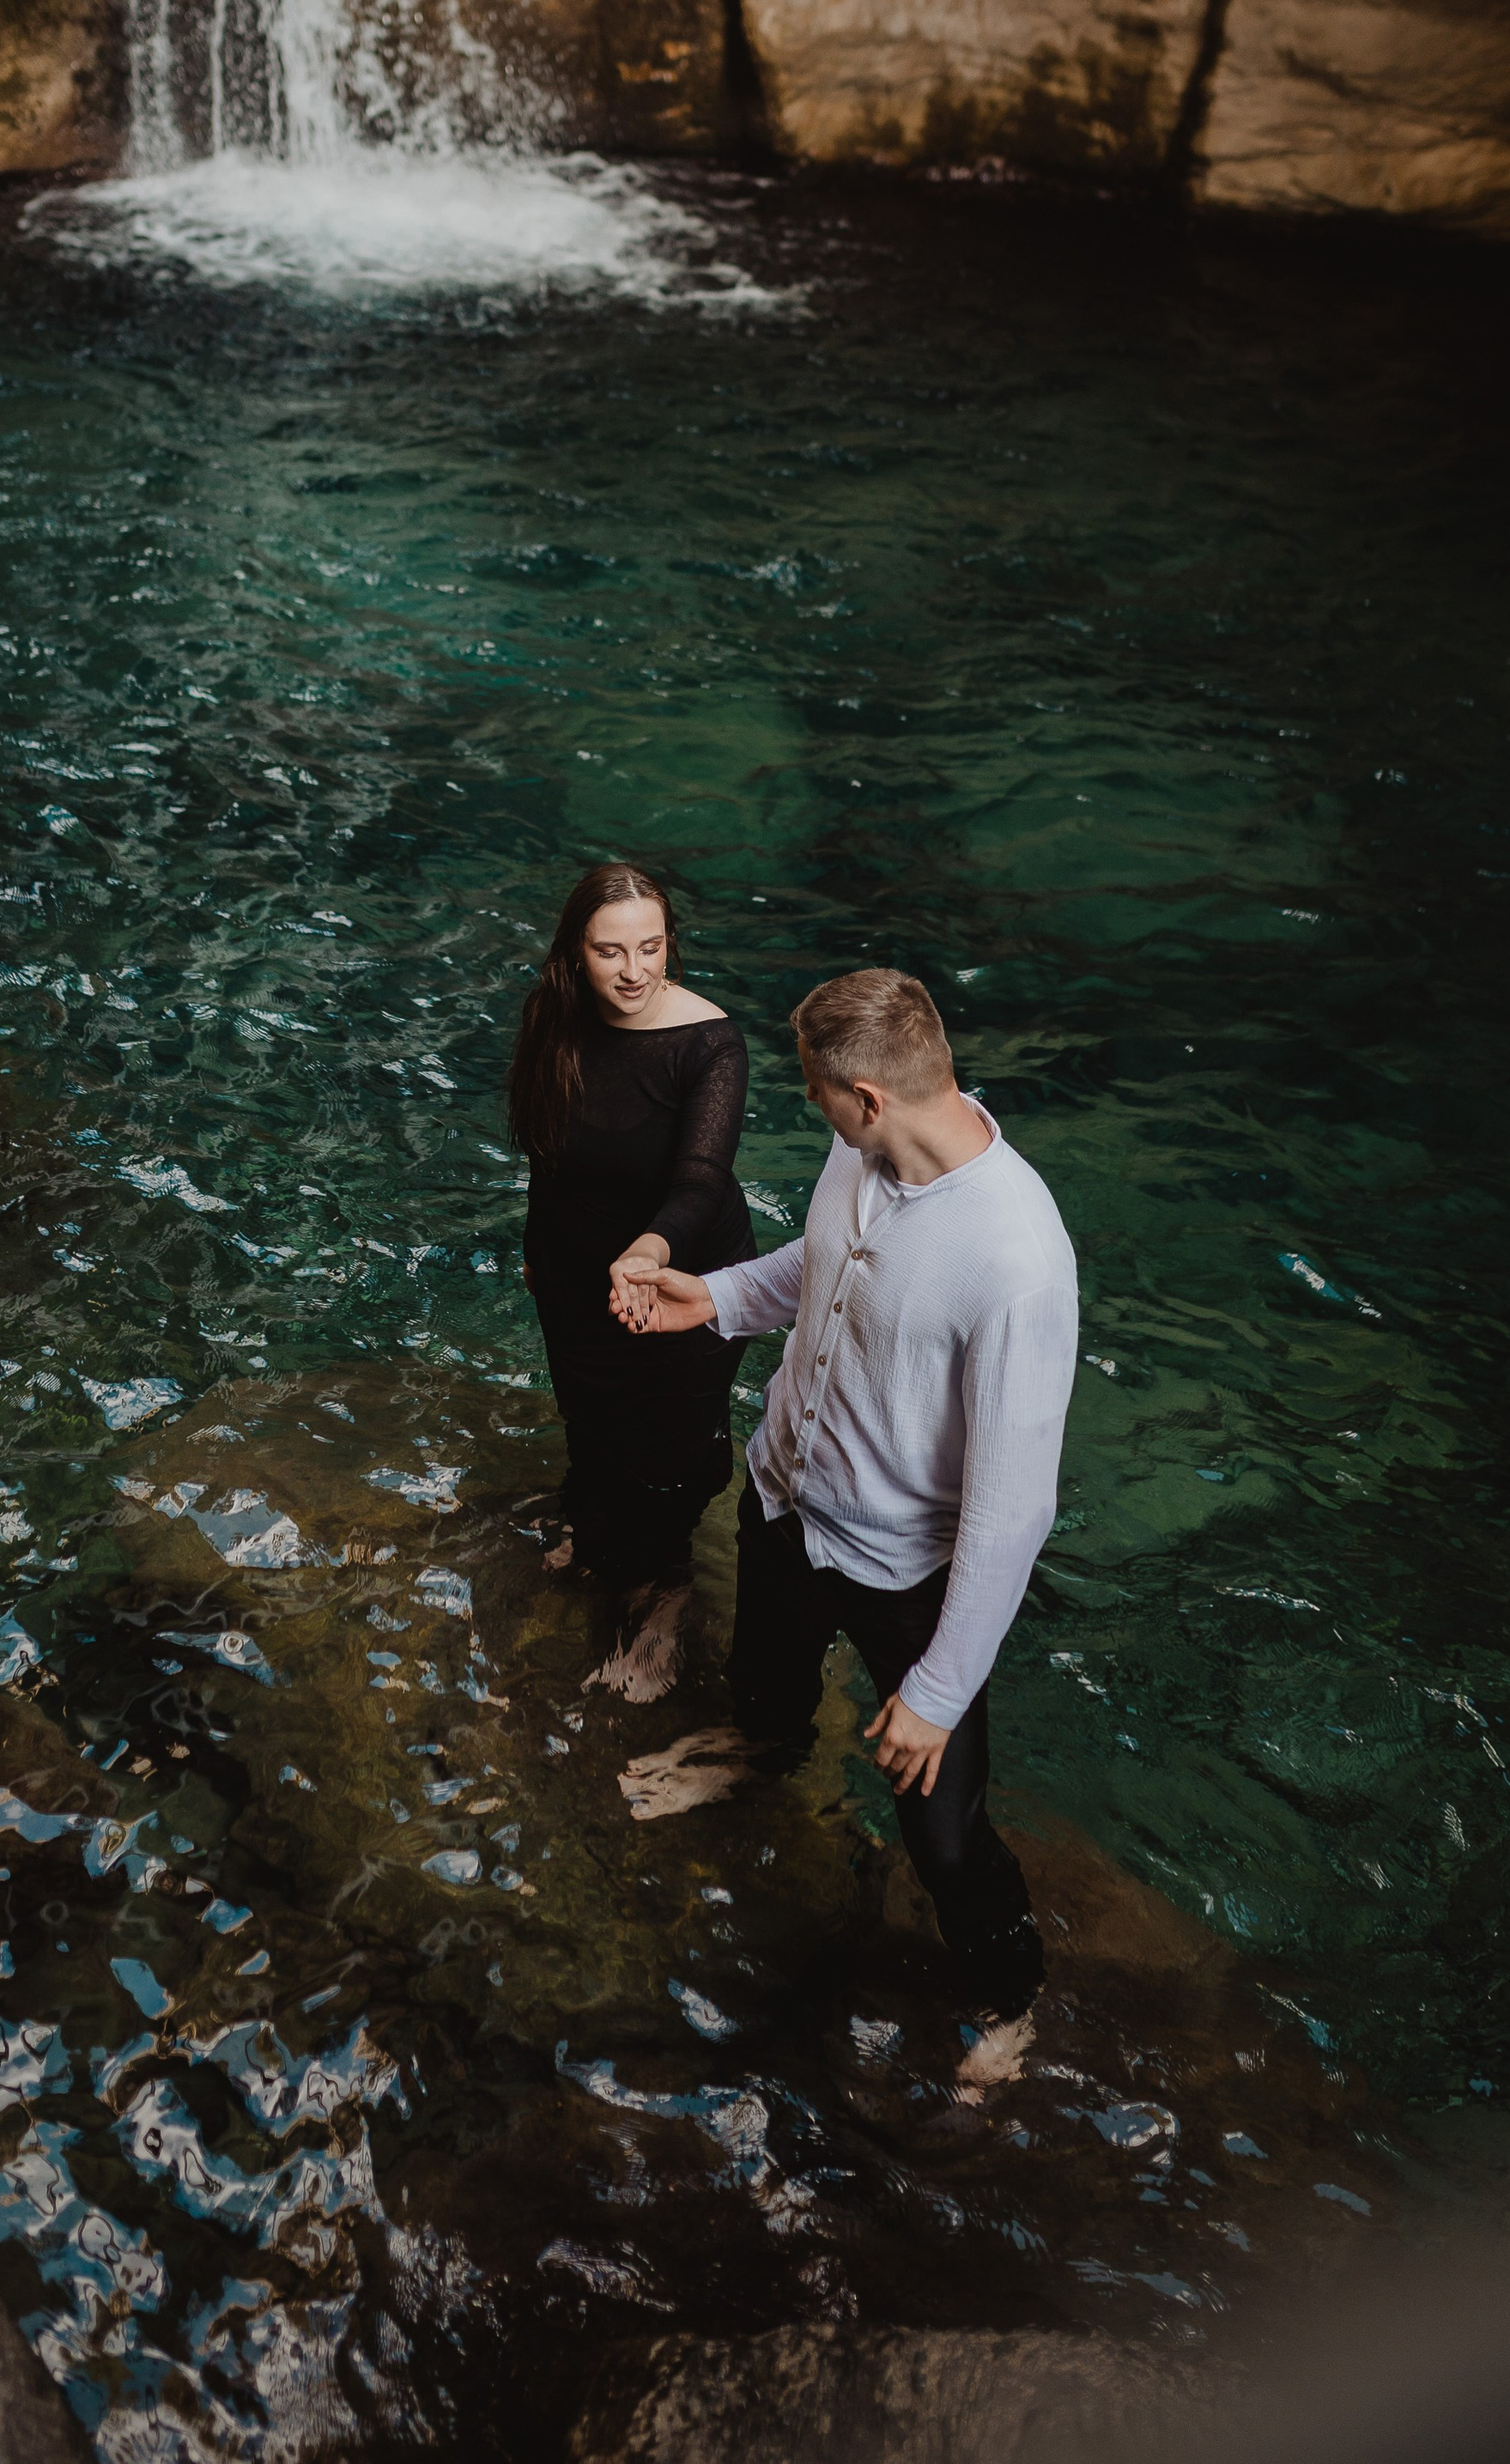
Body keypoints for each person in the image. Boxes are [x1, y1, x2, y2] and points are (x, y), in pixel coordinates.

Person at [611, 968, 1076, 2096]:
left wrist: (938, 1690)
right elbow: (822, 1270)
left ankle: (1013, 2003)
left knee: (946, 1837)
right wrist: (715, 1297)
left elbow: (1015, 1508)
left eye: (817, 1091)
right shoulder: (862, 1149)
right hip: (785, 1499)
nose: (808, 1105)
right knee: (765, 1683)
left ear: (868, 1097)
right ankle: (761, 1754)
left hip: (902, 1575)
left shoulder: (1017, 1261)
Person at [509, 863, 753, 1702]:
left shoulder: (710, 1043)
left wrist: (649, 1252)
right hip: (575, 1271)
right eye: (609, 951)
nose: (633, 971)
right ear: (574, 954)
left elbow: (699, 1180)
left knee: (668, 1454)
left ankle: (665, 1596)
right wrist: (537, 1252)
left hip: (681, 1275)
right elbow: (544, 1148)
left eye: (650, 948)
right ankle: (590, 1531)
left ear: (669, 943)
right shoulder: (554, 1015)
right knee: (588, 1417)